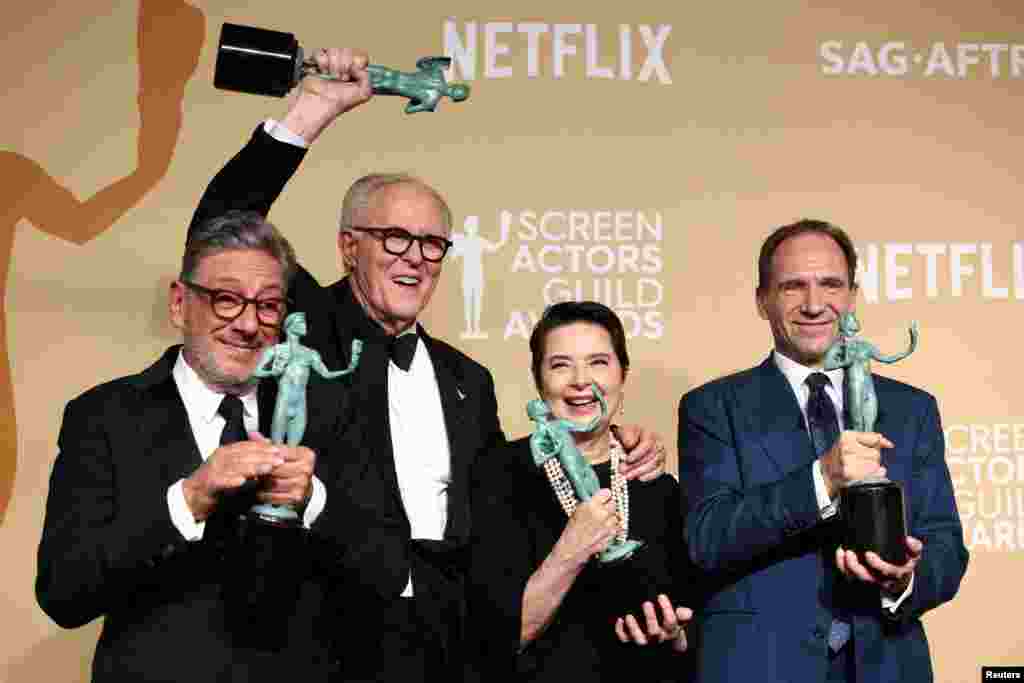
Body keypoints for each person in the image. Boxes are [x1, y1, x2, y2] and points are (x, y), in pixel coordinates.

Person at [189, 48, 667, 682]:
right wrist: (314, 110)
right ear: (347, 246)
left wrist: (613, 444)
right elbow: (222, 227)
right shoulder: (303, 324)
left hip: (448, 637)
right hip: (322, 629)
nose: (414, 258)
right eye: (394, 238)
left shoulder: (467, 379)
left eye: (432, 243)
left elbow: (508, 488)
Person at [36, 212, 346, 682]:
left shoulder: (322, 413)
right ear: (180, 304)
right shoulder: (105, 415)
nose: (248, 324)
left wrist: (313, 499)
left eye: (267, 306)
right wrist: (188, 500)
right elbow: (64, 592)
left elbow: (378, 570)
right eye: (226, 300)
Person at [678, 219, 968, 682]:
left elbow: (946, 546)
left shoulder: (913, 409)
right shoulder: (712, 408)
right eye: (793, 287)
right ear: (762, 300)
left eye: (830, 285)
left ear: (852, 296)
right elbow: (707, 539)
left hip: (887, 666)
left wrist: (903, 579)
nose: (814, 305)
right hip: (760, 668)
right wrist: (822, 478)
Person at [468, 302, 695, 682]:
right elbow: (490, 639)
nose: (580, 380)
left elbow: (690, 625)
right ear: (539, 381)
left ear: (623, 373)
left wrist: (675, 635)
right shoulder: (498, 475)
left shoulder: (656, 485)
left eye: (598, 362)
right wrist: (572, 549)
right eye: (560, 365)